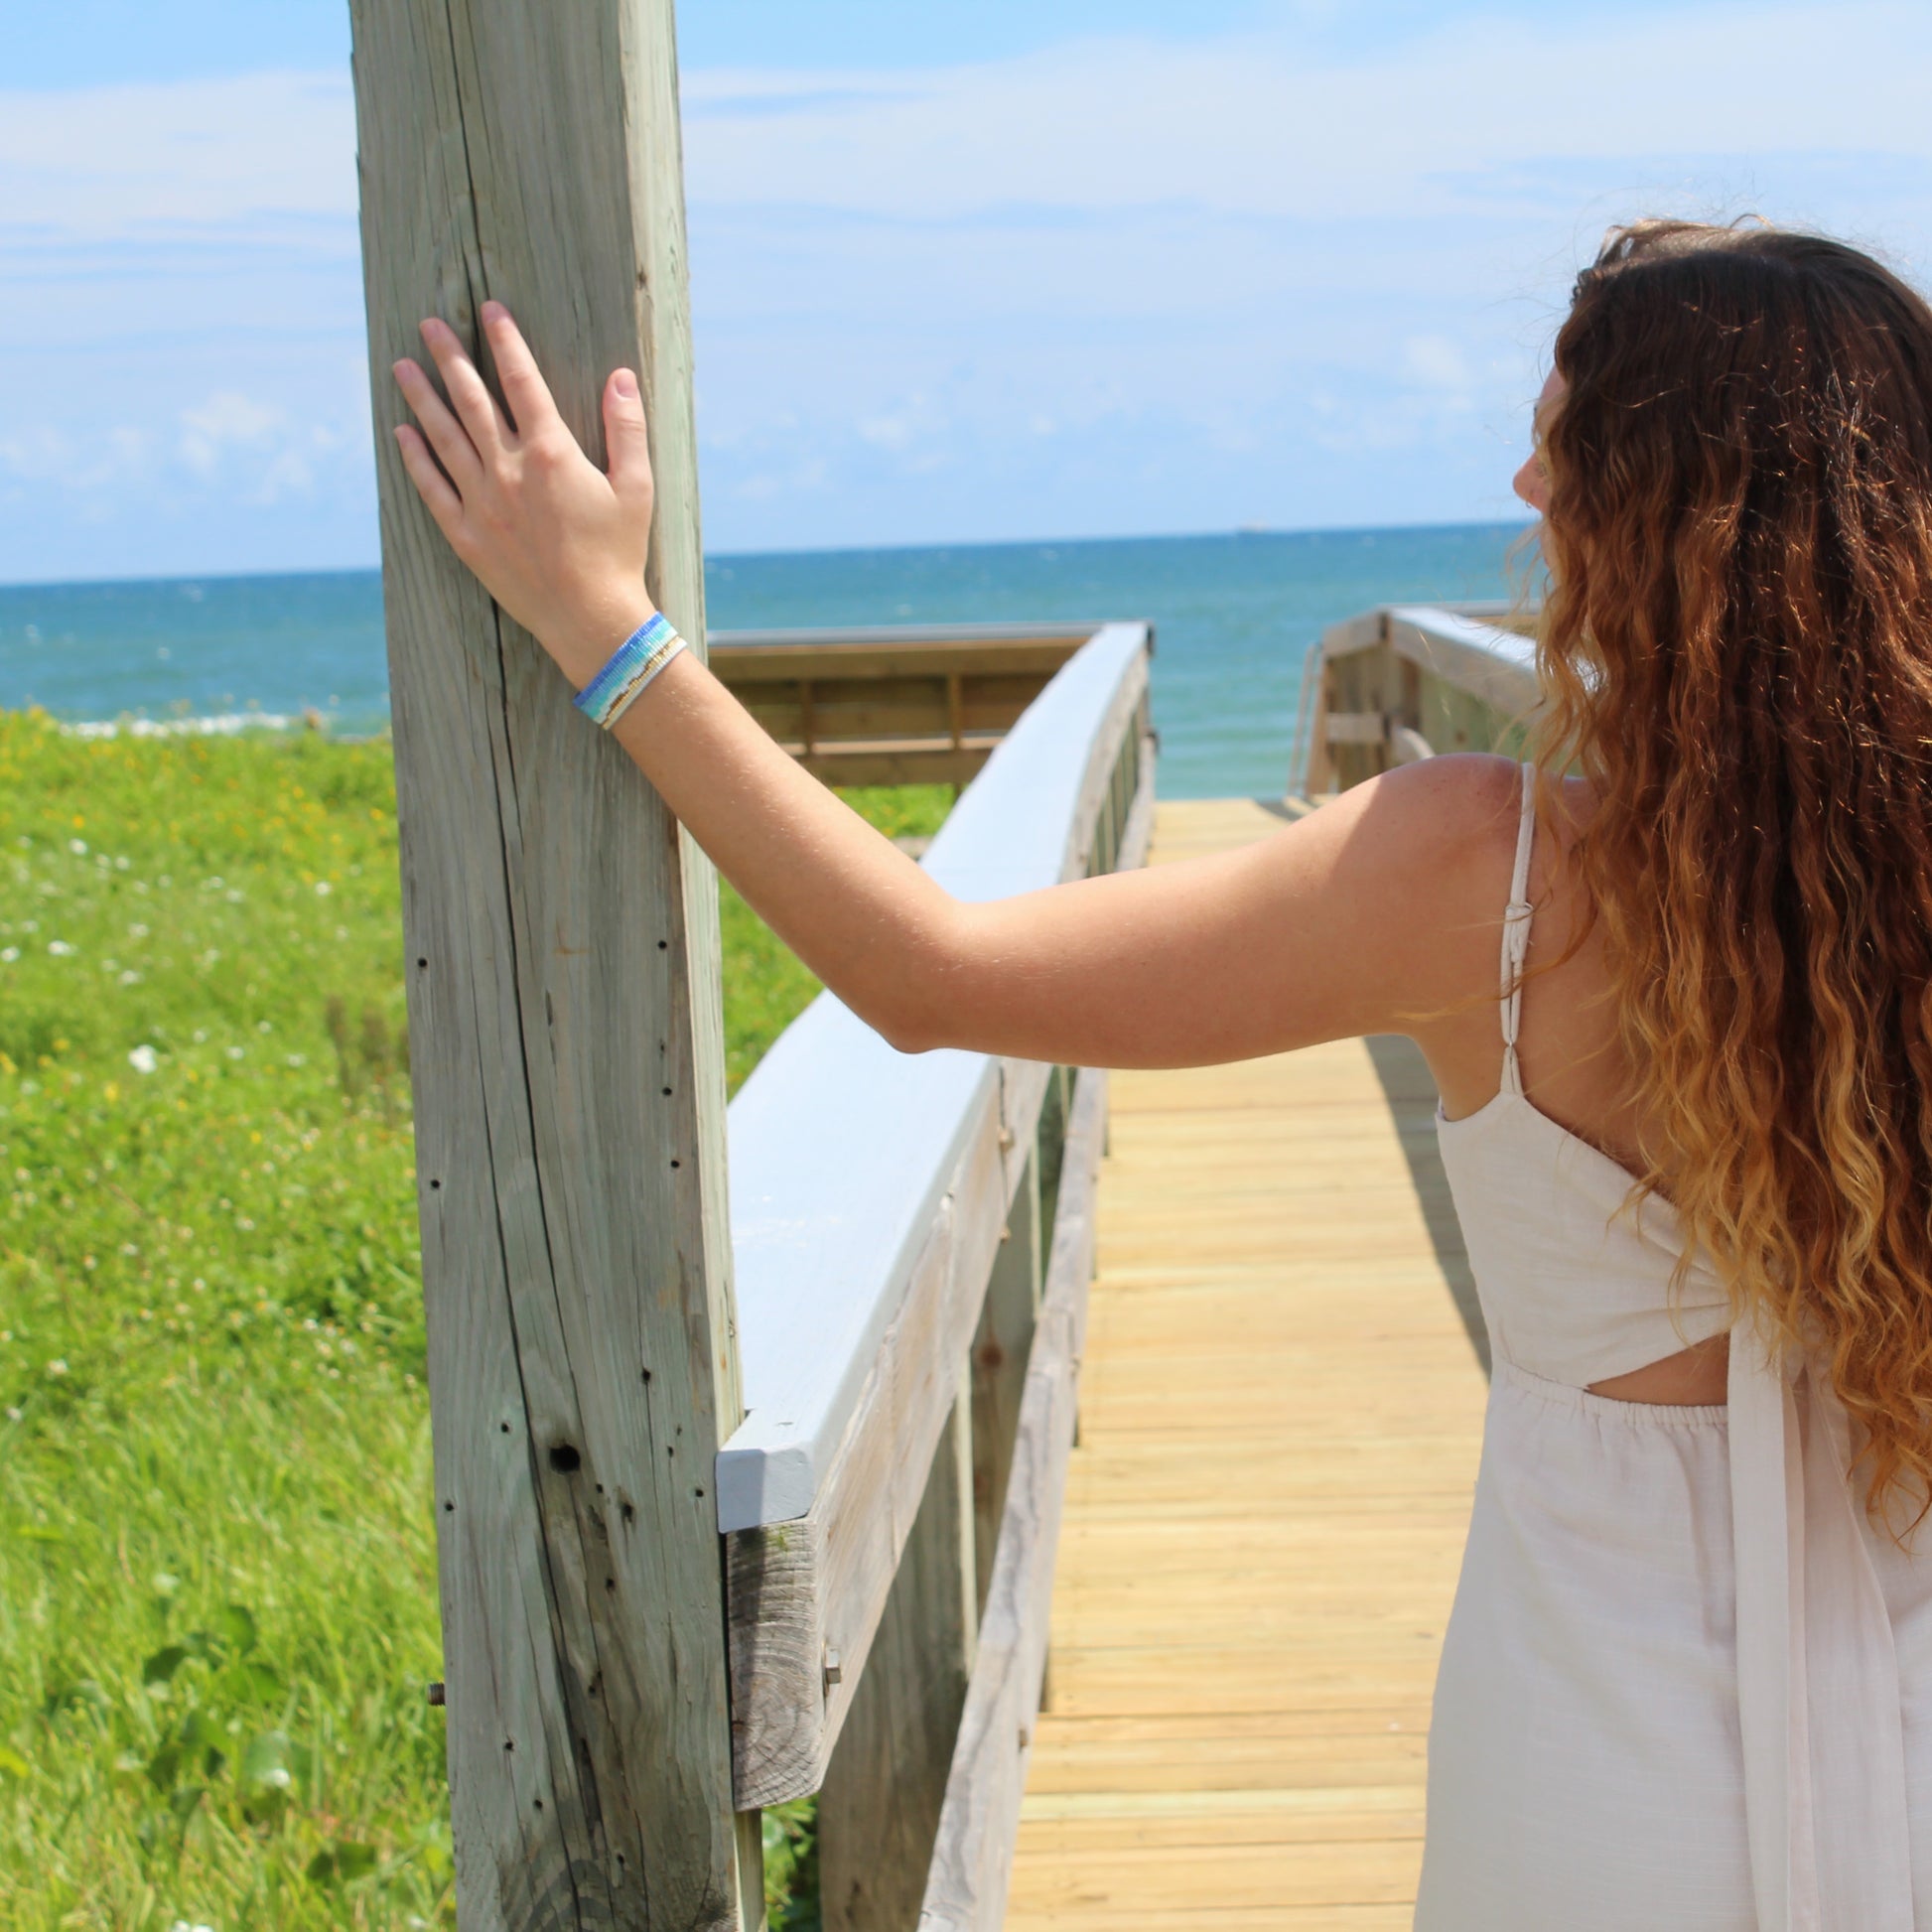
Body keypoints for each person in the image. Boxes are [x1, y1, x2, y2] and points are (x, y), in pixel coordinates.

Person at [391, 218, 1932, 1931]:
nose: (1520, 481)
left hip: (1603, 1749)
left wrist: (605, 625)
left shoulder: (1486, 880)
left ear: (1671, 515)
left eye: (1563, 443)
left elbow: (928, 974)